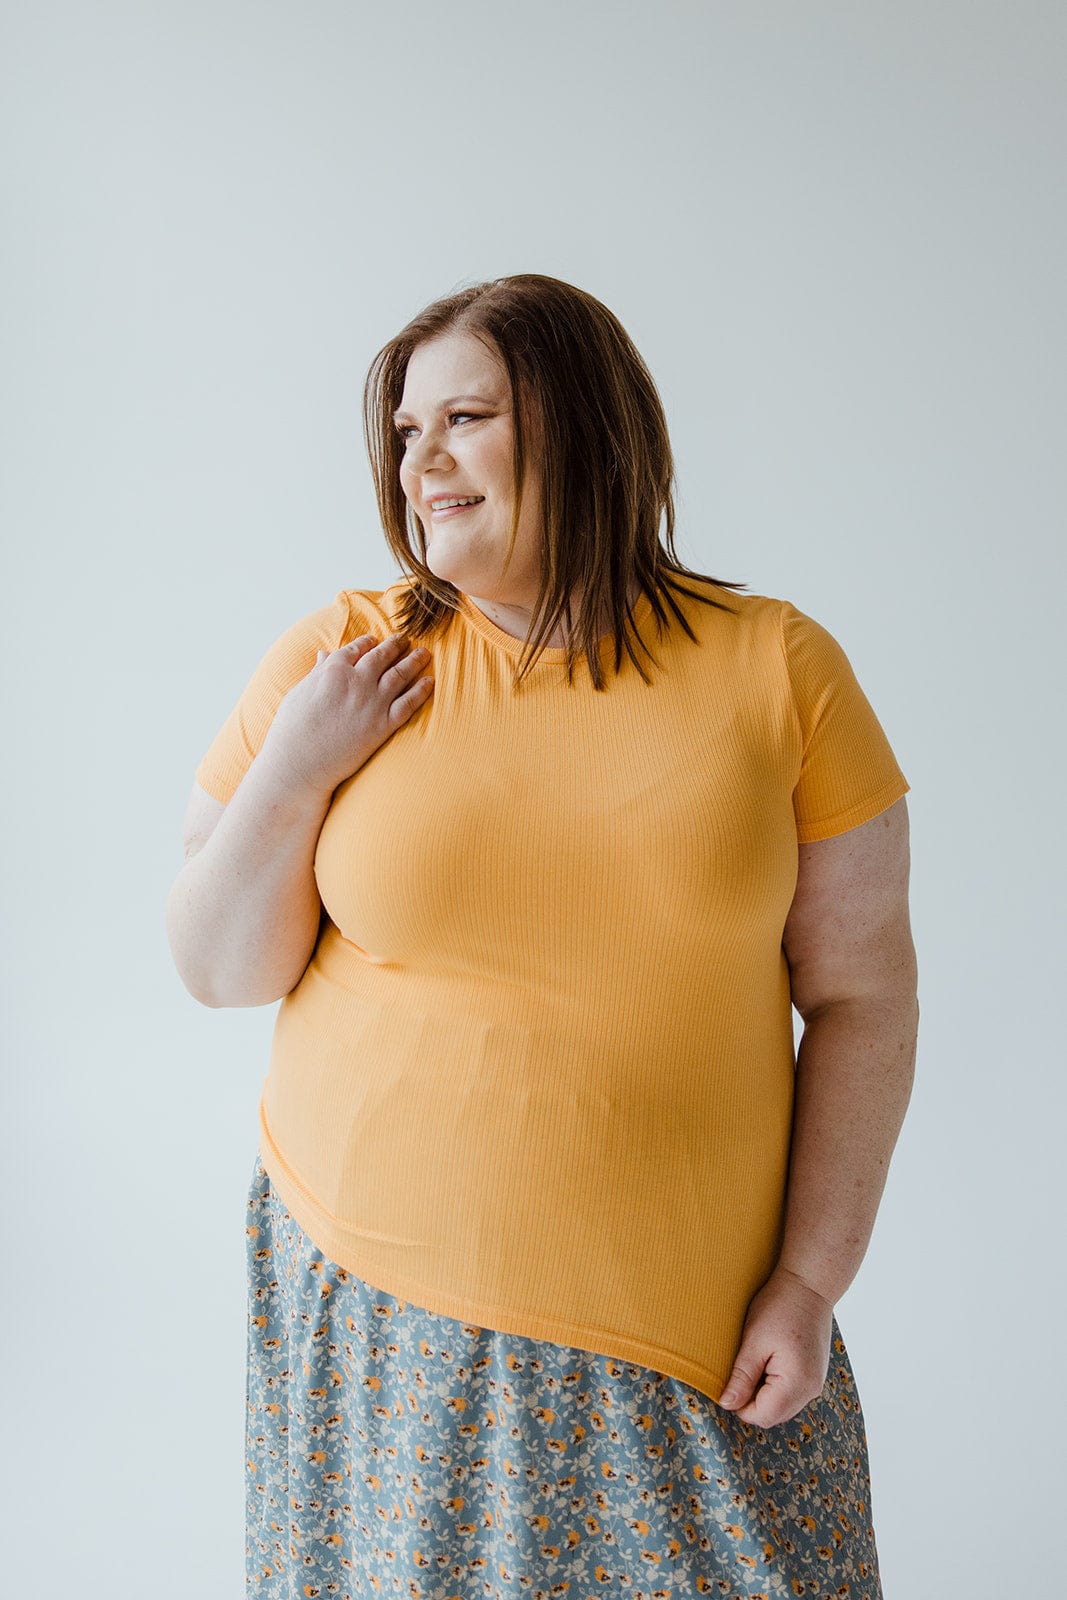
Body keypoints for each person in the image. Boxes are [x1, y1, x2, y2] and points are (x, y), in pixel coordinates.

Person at [166, 272, 918, 1599]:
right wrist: (295, 767)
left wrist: (810, 1277)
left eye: (466, 417)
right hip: (389, 1334)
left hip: (690, 1339)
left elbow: (862, 994)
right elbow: (221, 970)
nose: (424, 463)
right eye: (405, 432)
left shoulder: (775, 666)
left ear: (582, 425)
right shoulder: (346, 662)